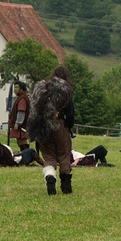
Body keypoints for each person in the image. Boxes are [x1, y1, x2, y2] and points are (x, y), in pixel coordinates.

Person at [27, 66, 75, 195]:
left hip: (43, 126)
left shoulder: (42, 90)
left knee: (48, 156)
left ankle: (50, 175)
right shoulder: (65, 92)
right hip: (60, 125)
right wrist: (68, 126)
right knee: (64, 155)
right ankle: (66, 187)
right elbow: (70, 114)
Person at [8, 81, 30, 151]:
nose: (15, 89)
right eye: (14, 87)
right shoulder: (20, 97)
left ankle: (26, 156)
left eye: (17, 87)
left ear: (21, 89)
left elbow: (21, 111)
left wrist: (18, 123)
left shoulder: (22, 99)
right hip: (21, 124)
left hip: (21, 125)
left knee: (22, 141)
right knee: (20, 141)